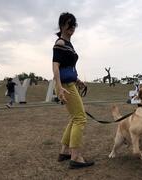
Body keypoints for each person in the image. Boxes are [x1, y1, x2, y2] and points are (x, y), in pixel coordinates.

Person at [52, 12, 94, 169]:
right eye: (69, 24)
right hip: (65, 85)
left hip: (70, 83)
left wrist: (78, 80)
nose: (72, 28)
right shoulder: (61, 42)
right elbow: (55, 65)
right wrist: (59, 86)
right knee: (80, 119)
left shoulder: (69, 44)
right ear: (62, 25)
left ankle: (64, 151)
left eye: (74, 25)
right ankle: (76, 157)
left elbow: (67, 67)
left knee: (74, 118)